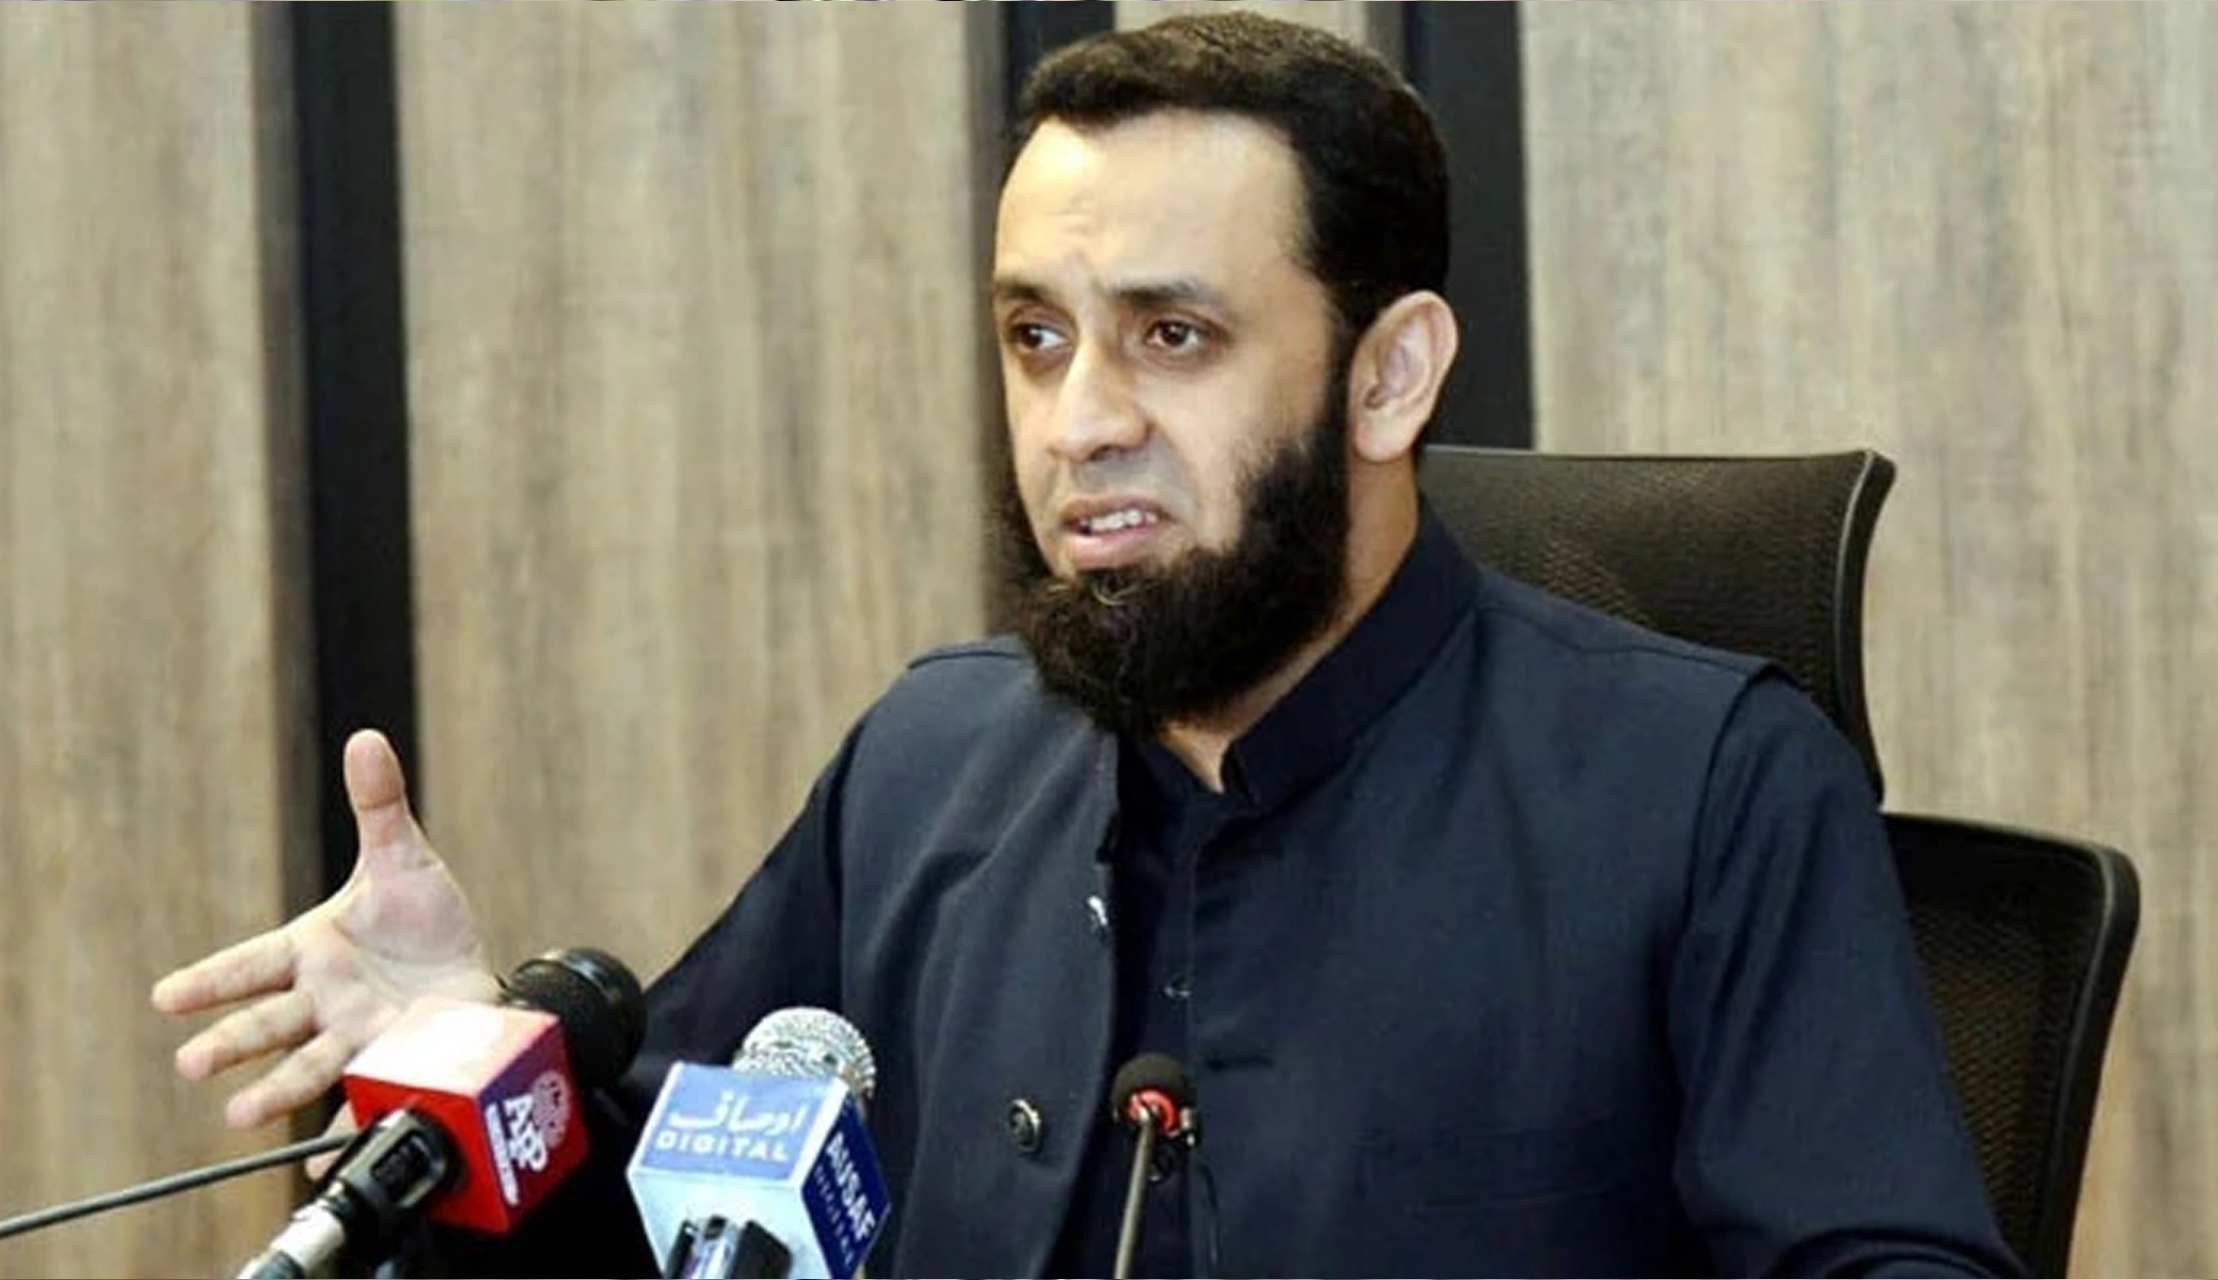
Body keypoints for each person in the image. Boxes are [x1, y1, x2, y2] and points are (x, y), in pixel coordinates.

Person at [152, 13, 2020, 1278]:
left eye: (1171, 337)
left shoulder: (1705, 793)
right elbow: (674, 1234)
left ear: (1390, 375)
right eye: (1036, 338)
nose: (1078, 424)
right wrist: (478, 1076)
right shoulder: (930, 767)